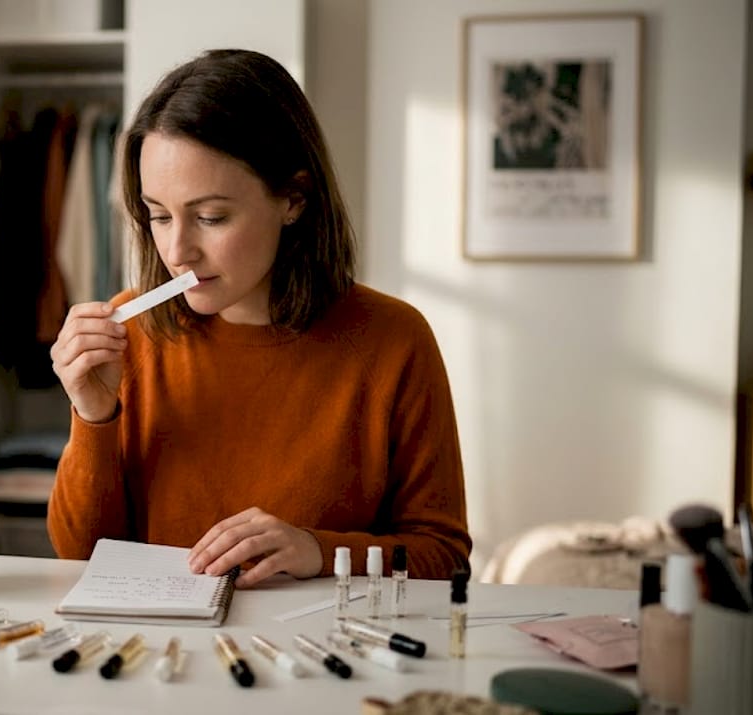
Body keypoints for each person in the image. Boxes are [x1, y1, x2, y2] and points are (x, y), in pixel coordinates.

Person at [47, 49, 470, 587]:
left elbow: (445, 558)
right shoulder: (129, 335)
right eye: (158, 215)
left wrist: (318, 551)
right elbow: (79, 557)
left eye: (211, 217)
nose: (178, 250)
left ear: (293, 199)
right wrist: (93, 415)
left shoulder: (394, 340)